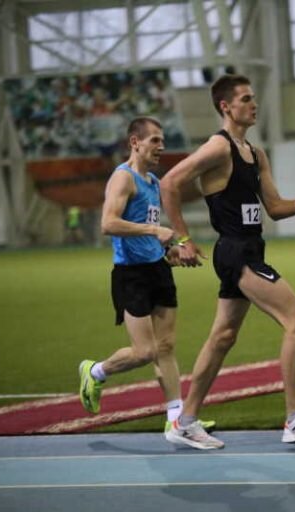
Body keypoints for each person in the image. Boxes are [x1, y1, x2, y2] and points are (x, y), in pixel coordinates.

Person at [160, 74, 295, 448]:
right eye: (245, 99)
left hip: (252, 248)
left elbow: (274, 207)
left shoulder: (256, 154)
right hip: (235, 251)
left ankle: (185, 422)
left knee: (223, 337)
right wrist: (183, 239)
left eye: (253, 97)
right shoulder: (218, 147)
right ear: (225, 107)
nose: (253, 104)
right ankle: (294, 419)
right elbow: (170, 183)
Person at [77, 117, 215, 435]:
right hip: (131, 275)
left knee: (166, 346)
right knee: (145, 352)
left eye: (162, 140)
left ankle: (176, 420)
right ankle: (95, 371)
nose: (161, 146)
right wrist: (154, 230)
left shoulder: (152, 181)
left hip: (157, 269)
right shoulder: (122, 179)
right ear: (134, 142)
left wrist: (170, 251)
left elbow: (147, 231)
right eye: (154, 140)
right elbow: (108, 224)